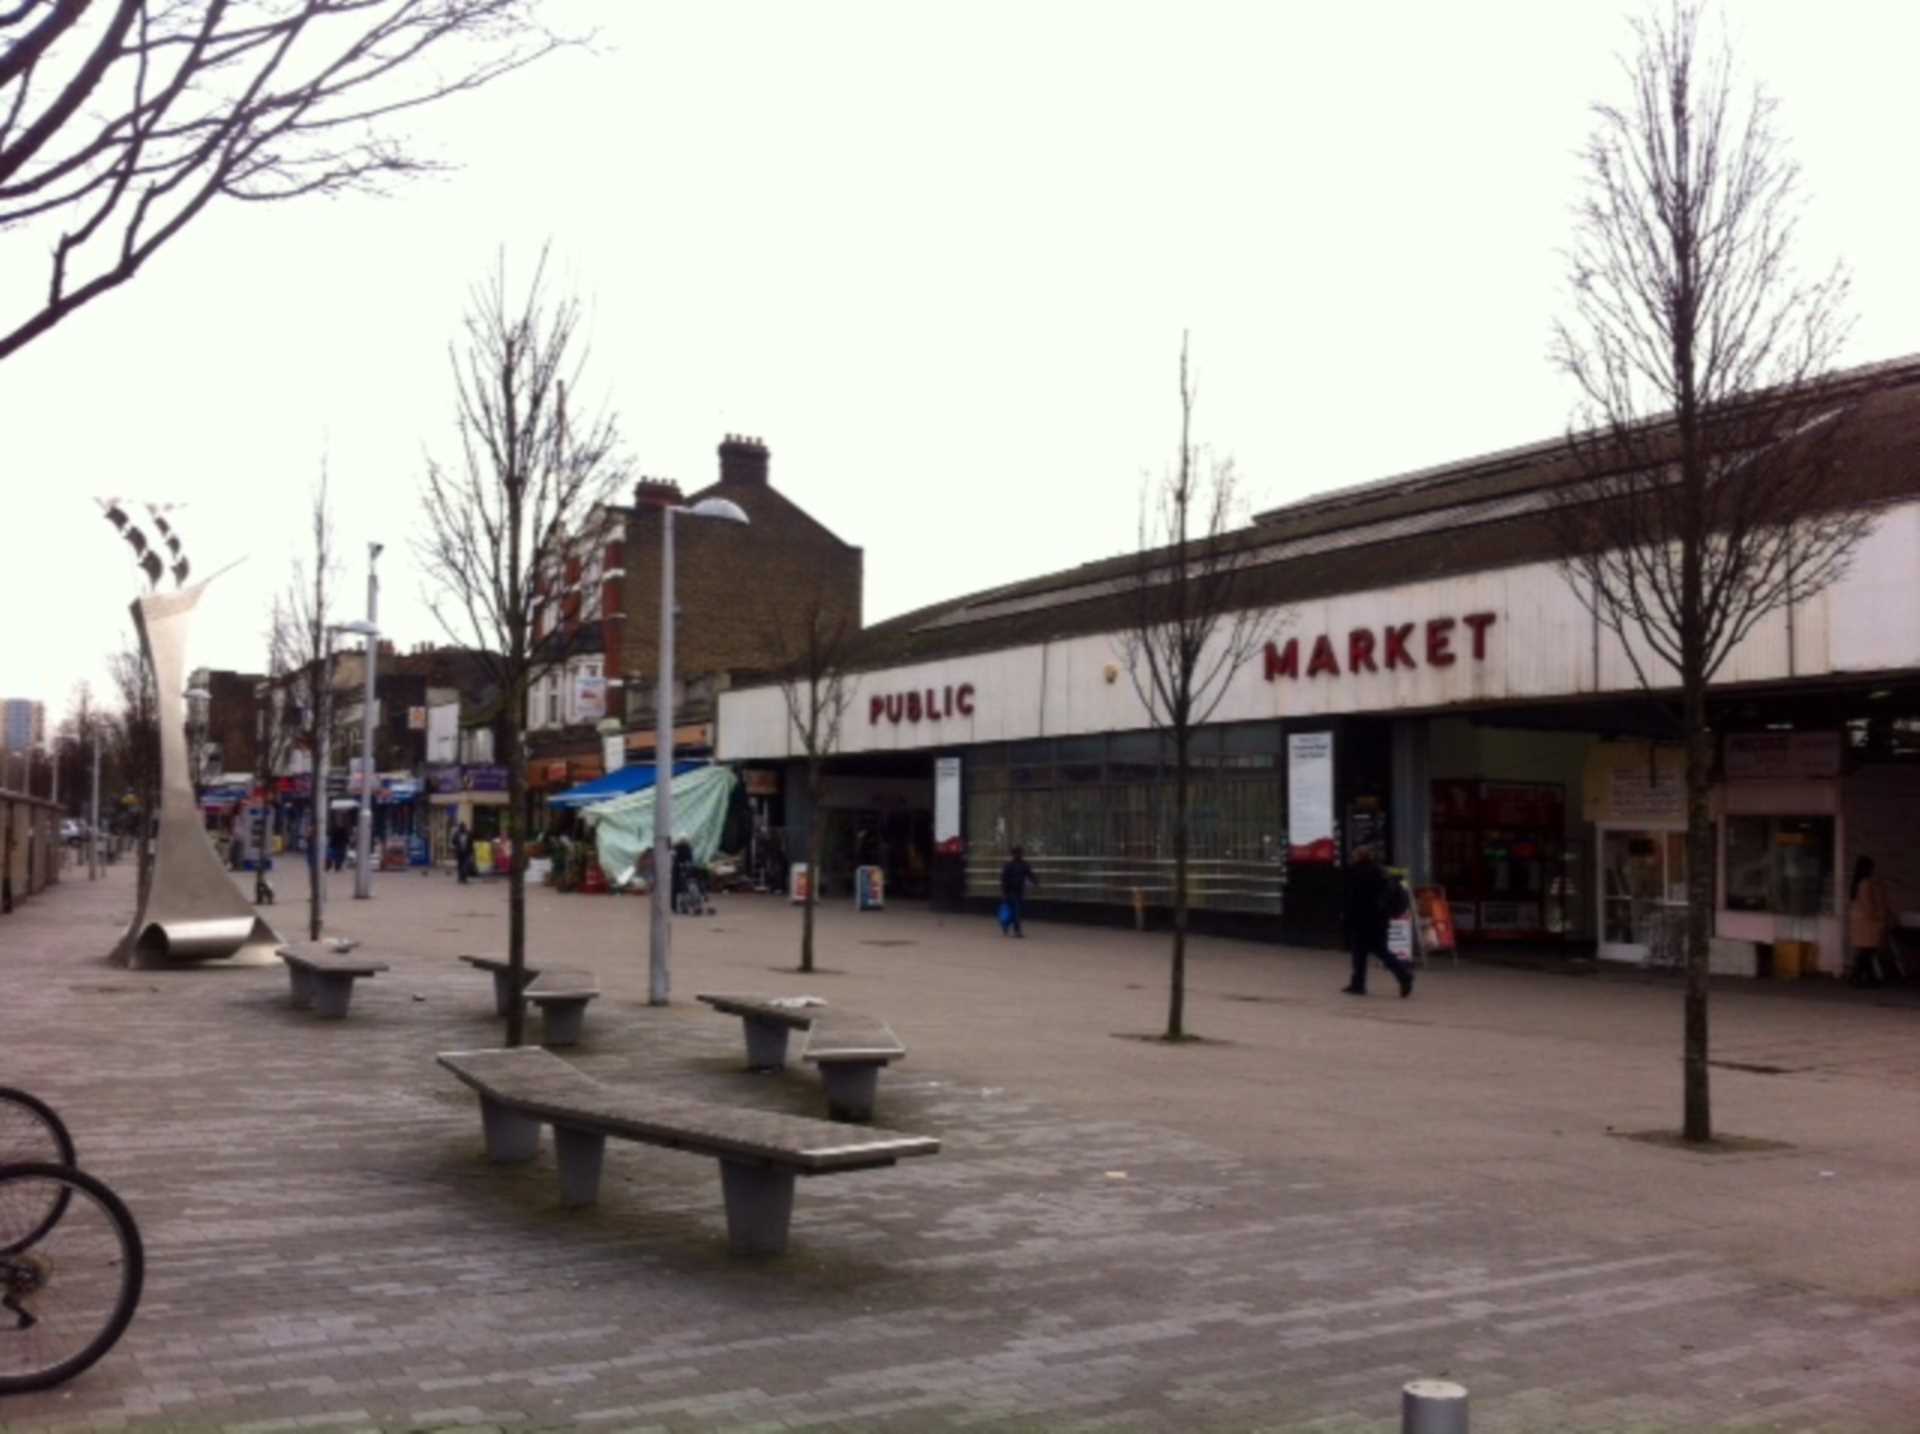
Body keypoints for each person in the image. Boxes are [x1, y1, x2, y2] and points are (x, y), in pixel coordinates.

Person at [1342, 846, 1414, 998]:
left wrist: (1347, 917)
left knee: (1371, 951)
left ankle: (1403, 975)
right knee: (1366, 951)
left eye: (1354, 855)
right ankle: (1358, 983)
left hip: (1363, 920)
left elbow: (1354, 899)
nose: (1352, 857)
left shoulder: (1358, 872)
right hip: (1380, 919)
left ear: (1360, 857)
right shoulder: (1380, 871)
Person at [1848, 854, 1892, 988]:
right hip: (1867, 923)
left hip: (1860, 922)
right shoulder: (1866, 883)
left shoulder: (1857, 883)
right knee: (1868, 951)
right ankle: (1858, 976)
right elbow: (1869, 905)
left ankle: (1865, 977)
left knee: (1866, 951)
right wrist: (1879, 917)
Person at [999, 845, 1037, 937]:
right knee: (1015, 911)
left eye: (1020, 853)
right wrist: (1004, 892)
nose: (1019, 855)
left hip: (1018, 892)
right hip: (1011, 892)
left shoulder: (1023, 865)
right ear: (1014, 854)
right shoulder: (1010, 865)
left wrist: (1035, 882)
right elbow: (1004, 879)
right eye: (1017, 853)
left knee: (1015, 911)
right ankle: (1015, 930)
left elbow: (1030, 875)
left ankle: (1008, 927)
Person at [451, 820, 474, 884]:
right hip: (459, 852)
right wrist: (457, 845)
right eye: (462, 827)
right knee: (460, 865)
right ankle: (460, 877)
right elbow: (453, 841)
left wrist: (472, 852)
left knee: (465, 865)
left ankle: (464, 877)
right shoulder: (457, 833)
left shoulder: (469, 833)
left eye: (463, 827)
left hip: (467, 852)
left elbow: (471, 843)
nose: (463, 828)